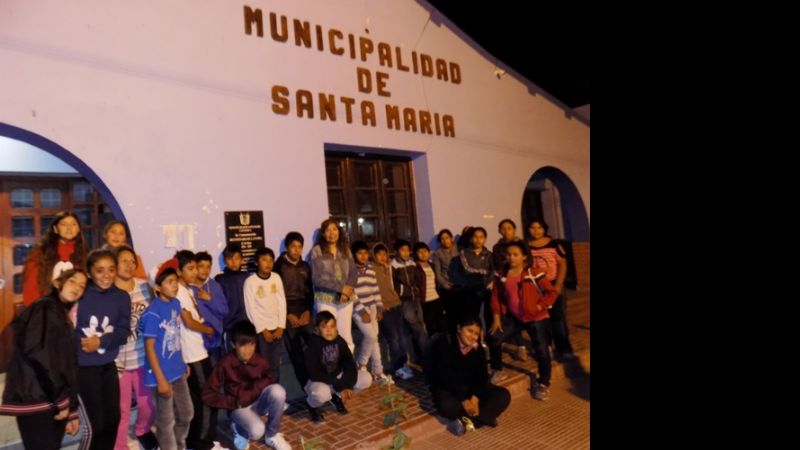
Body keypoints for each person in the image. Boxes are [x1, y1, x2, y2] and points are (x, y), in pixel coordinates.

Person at [0, 269, 87, 450]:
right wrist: (60, 401)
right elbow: (40, 356)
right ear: (57, 283)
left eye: (82, 285)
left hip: (47, 398)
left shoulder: (60, 313)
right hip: (37, 399)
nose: (78, 288)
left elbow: (66, 365)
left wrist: (71, 410)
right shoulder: (45, 308)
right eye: (72, 281)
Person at [202, 320, 290, 450]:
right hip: (239, 407)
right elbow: (208, 394)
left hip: (257, 402)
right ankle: (238, 428)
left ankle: (272, 434)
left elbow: (269, 379)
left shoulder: (260, 360)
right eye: (243, 345)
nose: (248, 350)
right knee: (257, 431)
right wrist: (233, 402)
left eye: (252, 344)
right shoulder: (225, 363)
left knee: (278, 391)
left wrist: (252, 392)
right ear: (233, 345)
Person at [76, 249, 132, 450]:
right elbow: (65, 332)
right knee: (95, 426)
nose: (106, 275)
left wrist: (101, 342)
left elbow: (123, 331)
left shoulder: (122, 297)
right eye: (100, 271)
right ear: (90, 273)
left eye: (111, 269)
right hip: (83, 369)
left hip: (108, 365)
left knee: (112, 420)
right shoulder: (80, 296)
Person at [487, 241, 558, 398]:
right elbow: (496, 298)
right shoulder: (500, 275)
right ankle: (497, 370)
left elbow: (551, 293)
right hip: (515, 317)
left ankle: (543, 383)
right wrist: (496, 319)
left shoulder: (534, 273)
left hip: (536, 317)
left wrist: (540, 306)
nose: (511, 257)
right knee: (494, 338)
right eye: (509, 254)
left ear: (524, 257)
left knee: (541, 350)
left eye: (515, 254)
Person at [428, 315, 510, 435]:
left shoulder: (478, 349)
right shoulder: (444, 344)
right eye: (469, 331)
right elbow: (445, 377)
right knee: (447, 406)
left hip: (471, 390)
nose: (472, 336)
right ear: (459, 328)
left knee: (503, 395)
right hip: (451, 390)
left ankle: (468, 422)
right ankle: (486, 418)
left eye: (476, 333)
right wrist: (464, 400)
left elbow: (482, 376)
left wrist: (475, 398)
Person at [142, 259, 193, 450]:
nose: (175, 285)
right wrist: (161, 379)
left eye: (175, 281)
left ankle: (179, 444)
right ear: (157, 287)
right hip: (160, 375)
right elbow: (149, 347)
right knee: (166, 421)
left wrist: (183, 362)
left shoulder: (176, 304)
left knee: (186, 413)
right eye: (169, 282)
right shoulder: (152, 313)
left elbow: (177, 337)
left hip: (177, 371)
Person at [112, 246, 158, 450]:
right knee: (120, 410)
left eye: (132, 261)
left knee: (147, 405)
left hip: (142, 359)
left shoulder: (144, 288)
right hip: (118, 362)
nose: (129, 265)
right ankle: (119, 444)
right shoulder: (108, 292)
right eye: (124, 260)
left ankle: (142, 430)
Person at [304, 311, 372, 422]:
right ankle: (312, 405)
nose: (329, 330)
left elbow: (349, 363)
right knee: (321, 394)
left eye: (332, 326)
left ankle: (337, 397)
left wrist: (346, 385)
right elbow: (315, 373)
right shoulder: (312, 344)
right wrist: (340, 386)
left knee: (366, 378)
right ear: (317, 328)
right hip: (319, 380)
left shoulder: (339, 341)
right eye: (324, 327)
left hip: (337, 378)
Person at [527, 219, 576, 361]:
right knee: (541, 319)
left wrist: (558, 286)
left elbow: (563, 265)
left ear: (544, 229)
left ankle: (564, 349)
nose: (536, 230)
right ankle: (545, 347)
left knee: (558, 318)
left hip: (553, 284)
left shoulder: (554, 244)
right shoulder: (526, 246)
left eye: (539, 227)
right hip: (535, 287)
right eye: (532, 227)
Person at [310, 218, 358, 353]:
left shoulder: (346, 250)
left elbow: (354, 274)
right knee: (327, 336)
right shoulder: (317, 251)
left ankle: (348, 369)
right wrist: (340, 289)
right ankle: (330, 370)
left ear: (339, 231)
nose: (332, 233)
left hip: (345, 299)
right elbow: (316, 278)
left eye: (335, 229)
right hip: (326, 299)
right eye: (328, 230)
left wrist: (346, 291)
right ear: (323, 234)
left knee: (346, 336)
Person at [273, 231, 314, 388]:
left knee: (314, 347)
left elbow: (310, 291)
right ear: (286, 247)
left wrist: (307, 311)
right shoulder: (278, 267)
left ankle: (318, 383)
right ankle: (307, 388)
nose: (296, 250)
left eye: (299, 247)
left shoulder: (305, 266)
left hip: (304, 312)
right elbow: (277, 295)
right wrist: (288, 314)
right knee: (296, 354)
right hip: (286, 314)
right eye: (293, 247)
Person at [22, 211, 87, 307]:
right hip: (46, 306)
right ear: (55, 229)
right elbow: (31, 284)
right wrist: (35, 309)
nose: (69, 228)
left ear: (78, 229)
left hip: (75, 308)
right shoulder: (41, 251)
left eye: (73, 224)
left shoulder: (84, 253)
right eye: (64, 224)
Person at [243, 247, 287, 383]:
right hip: (262, 331)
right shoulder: (250, 282)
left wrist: (281, 326)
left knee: (275, 365)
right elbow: (251, 308)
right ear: (256, 263)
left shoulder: (276, 277)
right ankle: (263, 396)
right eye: (264, 260)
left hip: (277, 329)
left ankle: (276, 396)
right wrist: (262, 330)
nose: (268, 263)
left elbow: (282, 302)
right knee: (262, 365)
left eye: (271, 260)